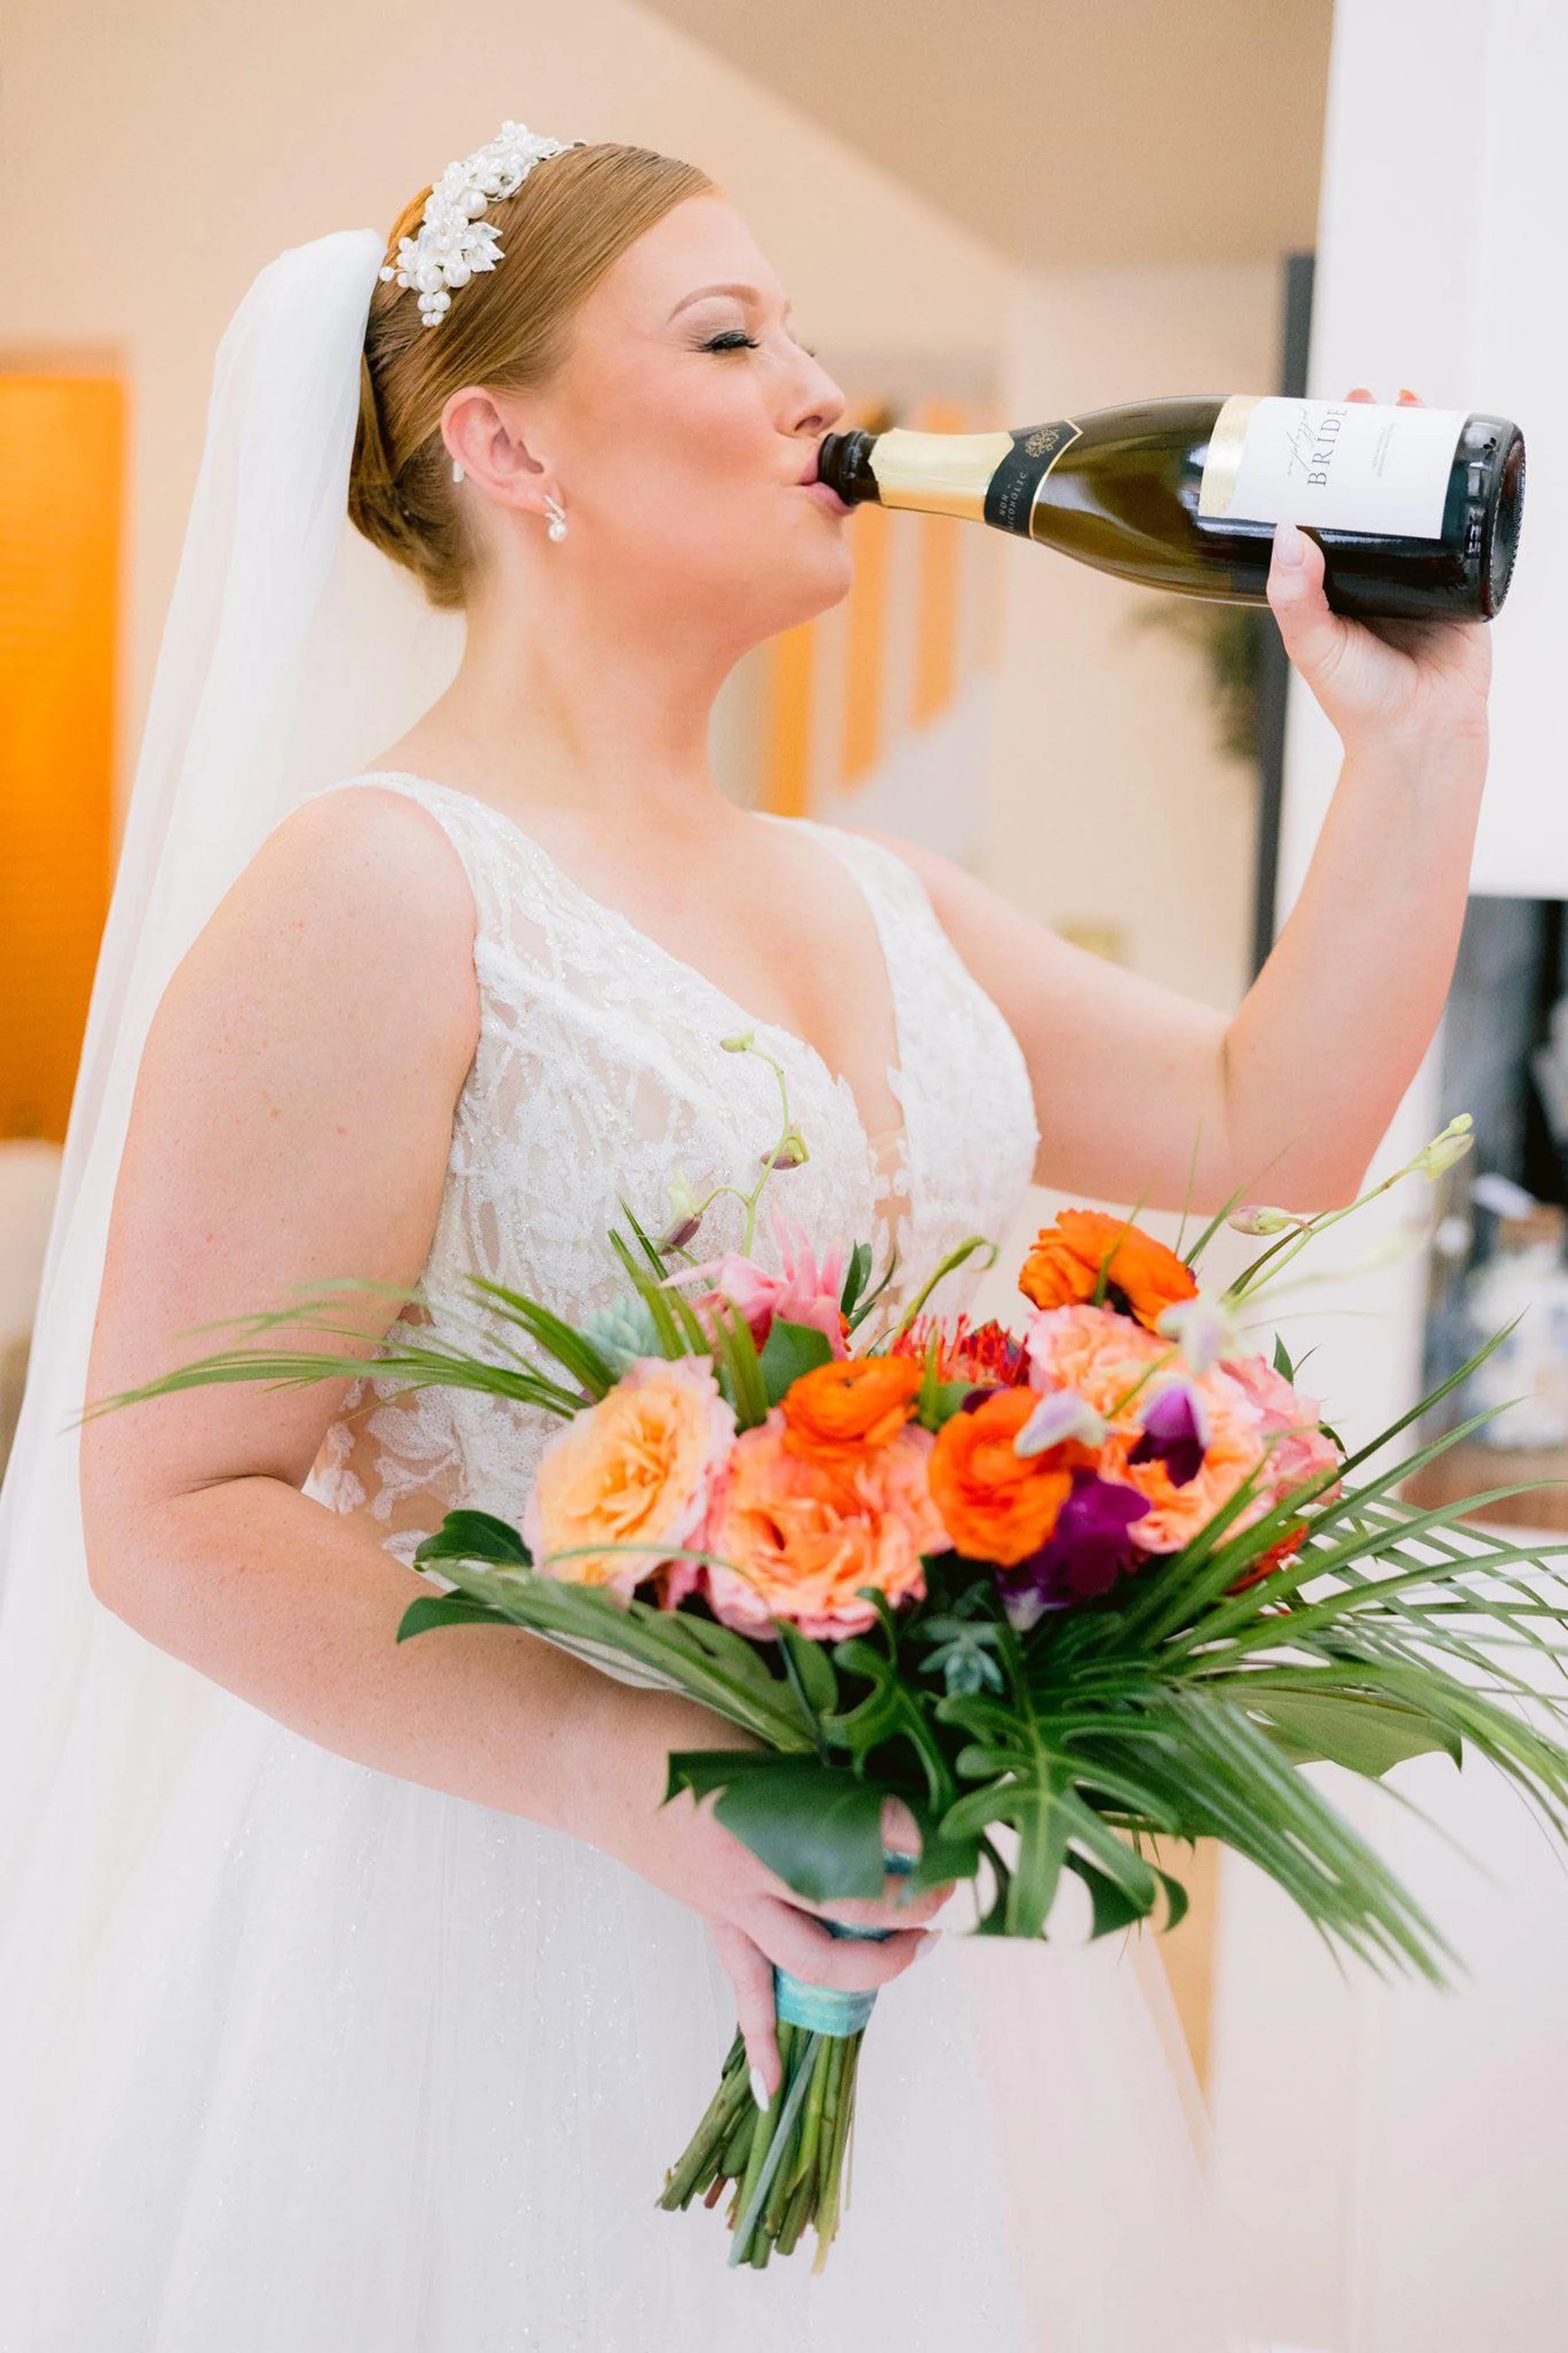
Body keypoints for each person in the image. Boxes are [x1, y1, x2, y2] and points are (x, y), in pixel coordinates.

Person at [0, 120, 1490, 2352]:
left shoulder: (874, 890)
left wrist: (1418, 744)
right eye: (727, 338)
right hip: (489, 1937)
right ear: (508, 446)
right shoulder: (381, 884)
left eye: (803, 331)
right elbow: (165, 1502)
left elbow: (1259, 1121)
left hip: (900, 1931)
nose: (817, 390)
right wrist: (641, 1775)